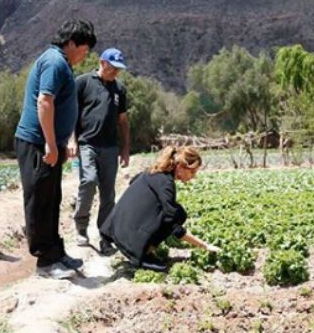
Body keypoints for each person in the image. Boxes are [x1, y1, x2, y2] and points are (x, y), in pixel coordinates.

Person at [15, 19, 96, 280]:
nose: (84, 56)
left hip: (50, 143)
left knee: (52, 199)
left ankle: (56, 252)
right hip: (38, 143)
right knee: (39, 200)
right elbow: (45, 102)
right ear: (71, 43)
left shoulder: (61, 63)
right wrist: (50, 143)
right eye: (83, 49)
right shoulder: (55, 62)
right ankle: (45, 263)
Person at [100, 146, 220, 272]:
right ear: (180, 167)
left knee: (174, 211)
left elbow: (133, 182)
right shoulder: (166, 183)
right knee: (177, 215)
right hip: (126, 238)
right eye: (192, 172)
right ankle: (140, 254)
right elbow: (173, 224)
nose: (193, 177)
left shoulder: (153, 171)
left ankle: (142, 246)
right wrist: (204, 245)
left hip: (114, 227)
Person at [69, 48, 130, 256]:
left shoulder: (119, 90)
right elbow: (72, 114)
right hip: (87, 144)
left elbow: (123, 121)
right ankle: (81, 226)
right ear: (102, 63)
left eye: (118, 70)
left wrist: (126, 149)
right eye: (113, 68)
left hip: (110, 147)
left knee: (108, 194)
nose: (116, 73)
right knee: (89, 180)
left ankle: (105, 238)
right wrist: (72, 140)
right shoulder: (83, 82)